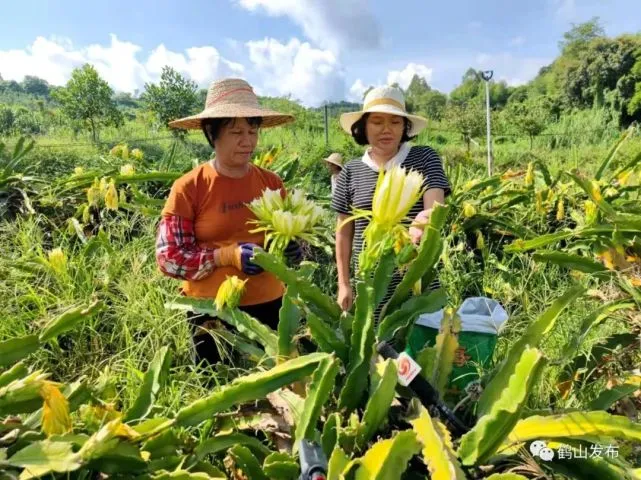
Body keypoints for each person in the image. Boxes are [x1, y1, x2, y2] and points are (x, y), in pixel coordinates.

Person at [156, 78, 302, 366]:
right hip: (213, 311)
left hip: (271, 305)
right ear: (212, 134)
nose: (247, 141)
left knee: (274, 391)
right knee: (218, 389)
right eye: (236, 132)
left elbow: (287, 236)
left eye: (252, 130)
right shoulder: (189, 187)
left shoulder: (271, 182)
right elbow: (169, 259)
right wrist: (227, 256)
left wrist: (294, 249)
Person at [331, 85, 451, 317]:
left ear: (405, 127)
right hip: (366, 281)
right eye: (377, 122)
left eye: (395, 122)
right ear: (363, 127)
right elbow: (343, 231)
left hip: (415, 278)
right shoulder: (351, 171)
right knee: (372, 345)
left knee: (420, 348)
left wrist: (423, 221)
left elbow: (436, 207)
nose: (386, 129)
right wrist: (344, 283)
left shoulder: (425, 157)